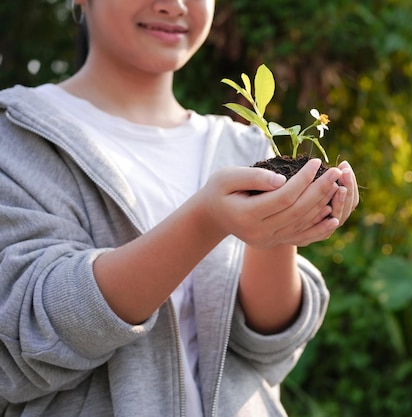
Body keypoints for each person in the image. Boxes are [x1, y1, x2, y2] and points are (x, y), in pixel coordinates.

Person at [0, 0, 359, 416]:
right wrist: (205, 221)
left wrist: (278, 230)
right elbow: (23, 335)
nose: (173, 5)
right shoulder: (16, 135)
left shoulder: (246, 147)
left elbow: (267, 348)